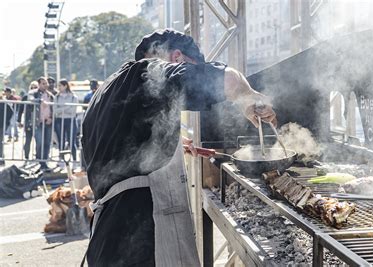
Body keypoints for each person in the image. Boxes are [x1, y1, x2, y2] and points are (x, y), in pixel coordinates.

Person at [82, 29, 276, 266]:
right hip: (141, 238)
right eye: (192, 67)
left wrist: (169, 143)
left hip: (107, 240)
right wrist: (248, 95)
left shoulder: (107, 90)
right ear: (177, 58)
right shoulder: (149, 72)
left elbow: (121, 147)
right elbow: (227, 78)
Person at [25, 77, 55, 171]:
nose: (46, 85)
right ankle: (39, 161)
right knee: (39, 142)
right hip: (38, 122)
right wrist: (40, 101)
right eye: (43, 83)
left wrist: (51, 118)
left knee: (47, 143)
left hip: (48, 122)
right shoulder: (33, 93)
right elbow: (30, 99)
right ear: (39, 84)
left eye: (46, 83)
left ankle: (44, 162)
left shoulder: (50, 95)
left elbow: (54, 108)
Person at [54, 79, 79, 167]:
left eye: (60, 85)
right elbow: (55, 110)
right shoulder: (56, 97)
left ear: (65, 86)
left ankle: (75, 161)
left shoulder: (73, 97)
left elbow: (73, 110)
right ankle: (61, 160)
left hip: (70, 120)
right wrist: (66, 107)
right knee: (61, 141)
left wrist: (62, 108)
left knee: (72, 141)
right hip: (60, 120)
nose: (59, 88)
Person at [18, 81, 38, 162]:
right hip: (28, 120)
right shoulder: (25, 96)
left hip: (37, 121)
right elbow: (20, 109)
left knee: (38, 140)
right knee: (28, 139)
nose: (33, 89)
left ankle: (38, 156)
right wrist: (19, 121)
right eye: (32, 87)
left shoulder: (39, 97)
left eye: (35, 87)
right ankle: (26, 156)